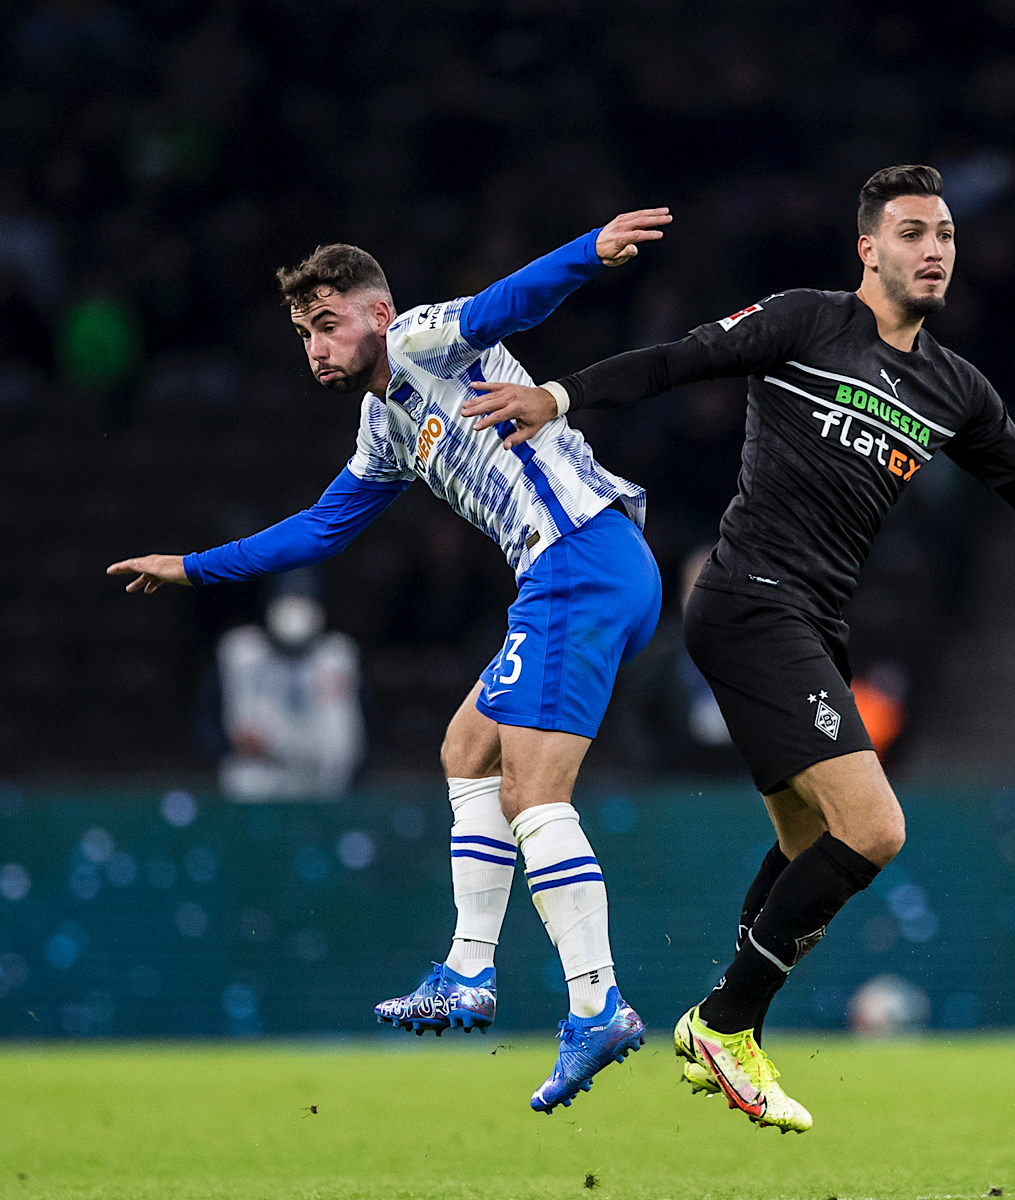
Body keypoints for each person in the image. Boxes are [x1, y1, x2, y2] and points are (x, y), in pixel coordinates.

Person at [462, 164, 1015, 1132]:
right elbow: (677, 360)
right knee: (875, 828)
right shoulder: (805, 321)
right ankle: (725, 1023)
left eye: (942, 232)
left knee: (808, 842)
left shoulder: (955, 389)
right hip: (747, 599)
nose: (933, 248)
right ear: (868, 247)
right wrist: (557, 395)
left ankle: (724, 1024)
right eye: (910, 232)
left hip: (812, 619)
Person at [107, 209, 672, 1113]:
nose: (316, 350)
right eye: (303, 336)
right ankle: (467, 971)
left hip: (579, 558)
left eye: (328, 326)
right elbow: (324, 528)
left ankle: (597, 1003)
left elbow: (502, 306)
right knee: (465, 750)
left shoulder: (419, 341)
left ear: (378, 311)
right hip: (578, 570)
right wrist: (196, 568)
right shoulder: (382, 427)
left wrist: (588, 252)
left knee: (534, 796)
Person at [212, 575, 364, 801]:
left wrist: (271, 746)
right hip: (256, 787)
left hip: (321, 787)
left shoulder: (336, 657)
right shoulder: (241, 652)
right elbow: (223, 730)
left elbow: (343, 748)